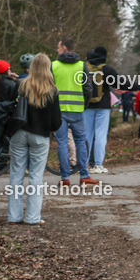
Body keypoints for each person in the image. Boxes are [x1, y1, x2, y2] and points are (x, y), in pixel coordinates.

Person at [8, 53, 61, 225]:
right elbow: (56, 122)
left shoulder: (21, 85)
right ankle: (32, 217)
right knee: (36, 177)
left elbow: (10, 109)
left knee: (16, 175)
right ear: (47, 68)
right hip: (40, 136)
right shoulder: (52, 90)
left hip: (19, 133)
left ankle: (14, 216)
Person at [51, 37, 98, 187]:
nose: (57, 50)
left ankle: (65, 178)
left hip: (59, 111)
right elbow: (88, 88)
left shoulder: (54, 66)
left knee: (62, 143)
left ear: (64, 48)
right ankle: (84, 175)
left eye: (58, 47)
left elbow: (48, 89)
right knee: (80, 142)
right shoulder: (81, 65)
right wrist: (84, 104)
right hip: (77, 110)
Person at [83, 46, 123, 174]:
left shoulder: (83, 68)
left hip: (87, 106)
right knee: (100, 135)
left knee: (87, 135)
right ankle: (98, 165)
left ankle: (84, 164)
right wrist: (139, 86)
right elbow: (120, 84)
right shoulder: (107, 69)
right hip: (103, 106)